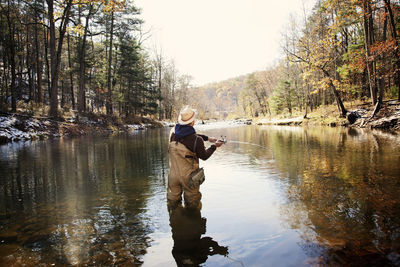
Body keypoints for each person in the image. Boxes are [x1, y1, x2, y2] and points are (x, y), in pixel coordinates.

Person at [167, 105, 224, 209]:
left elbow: (188, 136)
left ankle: (176, 221)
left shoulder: (173, 132)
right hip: (189, 178)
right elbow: (204, 156)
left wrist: (208, 138)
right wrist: (214, 146)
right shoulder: (197, 140)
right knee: (193, 206)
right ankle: (192, 222)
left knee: (173, 205)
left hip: (173, 176)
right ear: (192, 122)